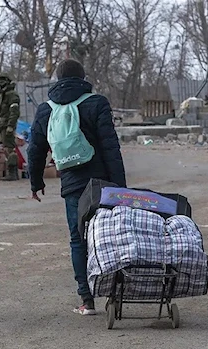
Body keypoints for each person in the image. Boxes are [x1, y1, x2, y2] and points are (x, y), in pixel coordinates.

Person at [27, 59, 127, 315]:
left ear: (58, 80)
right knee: (108, 235)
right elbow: (110, 146)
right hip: (102, 182)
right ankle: (113, 292)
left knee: (77, 239)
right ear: (83, 78)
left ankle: (86, 300)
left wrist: (35, 183)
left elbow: (35, 149)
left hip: (71, 184)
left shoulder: (45, 109)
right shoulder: (97, 103)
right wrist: (121, 187)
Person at [0, 73, 20, 181]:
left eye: (3, 80)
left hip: (7, 125)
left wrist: (10, 125)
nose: (0, 83)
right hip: (2, 125)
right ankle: (11, 173)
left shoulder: (12, 95)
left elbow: (14, 112)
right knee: (5, 148)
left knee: (10, 148)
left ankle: (13, 173)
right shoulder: (2, 95)